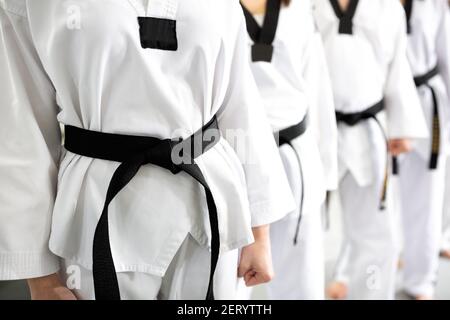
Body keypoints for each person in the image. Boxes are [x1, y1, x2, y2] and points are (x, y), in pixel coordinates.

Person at [0, 0, 296, 300]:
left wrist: (260, 231)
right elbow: (22, 130)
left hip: (210, 211)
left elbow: (240, 101)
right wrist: (40, 279)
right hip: (96, 218)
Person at [313, 0, 427, 300]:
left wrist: (402, 125)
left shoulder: (387, 8)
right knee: (303, 236)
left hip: (368, 134)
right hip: (313, 134)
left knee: (377, 235)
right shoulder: (305, 5)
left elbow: (398, 69)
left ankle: (371, 295)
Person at [240, 0, 338, 299]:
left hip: (295, 156)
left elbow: (318, 93)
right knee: (227, 283)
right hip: (236, 160)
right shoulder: (211, 9)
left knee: (302, 281)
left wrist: (326, 170)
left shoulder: (299, 10)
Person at [396, 0, 450, 300]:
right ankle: (384, 258)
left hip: (428, 106)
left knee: (427, 201)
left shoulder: (433, 5)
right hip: (384, 109)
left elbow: (447, 60)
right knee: (379, 202)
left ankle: (421, 281)